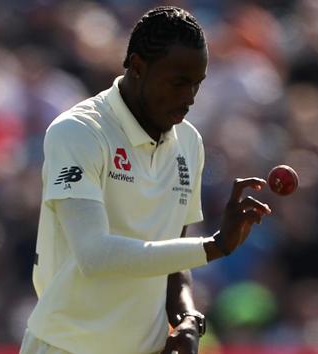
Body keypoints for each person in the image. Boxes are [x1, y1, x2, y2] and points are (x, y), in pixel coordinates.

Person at [20, 6, 271, 354]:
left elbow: (172, 262)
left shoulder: (189, 143)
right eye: (178, 82)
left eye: (197, 84)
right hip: (66, 347)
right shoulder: (79, 131)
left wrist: (186, 318)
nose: (190, 98)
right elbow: (94, 255)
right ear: (137, 67)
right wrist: (215, 246)